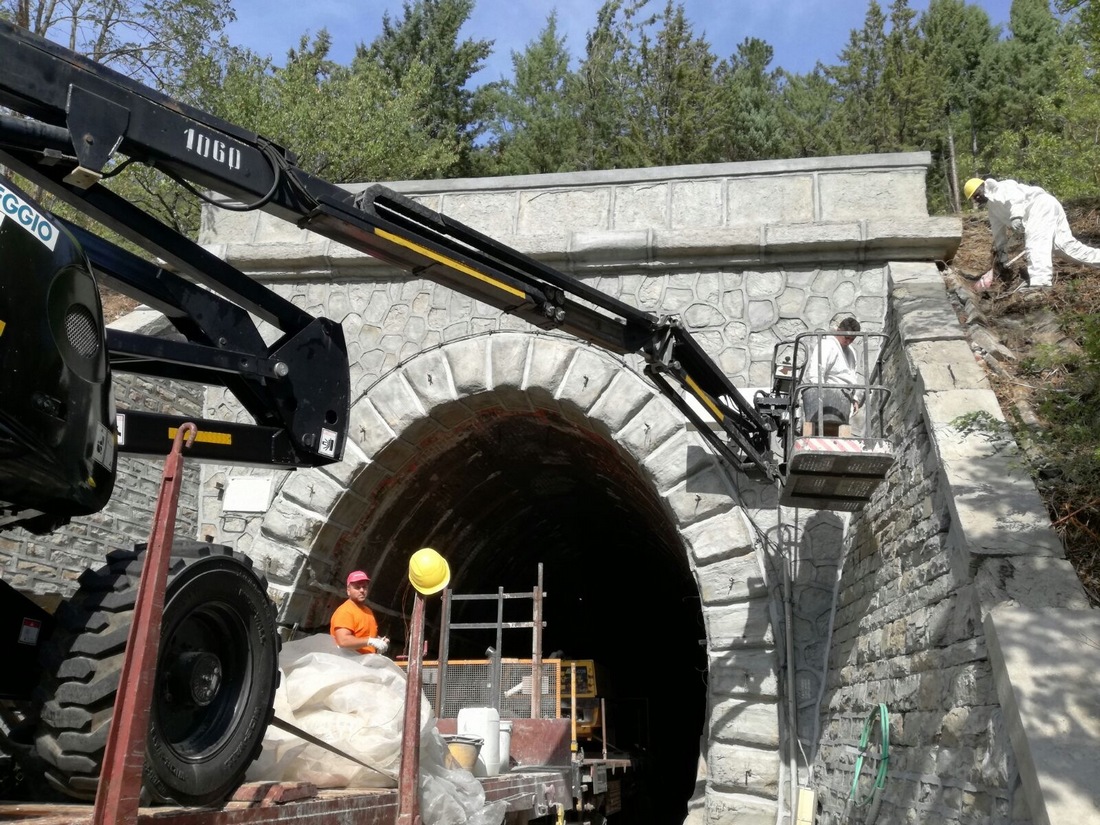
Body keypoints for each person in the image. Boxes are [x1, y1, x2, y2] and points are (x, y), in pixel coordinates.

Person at [963, 177, 1100, 289]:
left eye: (976, 196)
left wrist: (1016, 216)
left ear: (981, 189)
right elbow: (998, 232)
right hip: (1042, 212)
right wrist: (1002, 256)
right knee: (1066, 248)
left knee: (1035, 242)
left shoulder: (1003, 187)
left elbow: (1016, 198)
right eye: (974, 199)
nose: (977, 200)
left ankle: (1040, 283)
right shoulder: (993, 210)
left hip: (1041, 205)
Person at [800, 317, 864, 437]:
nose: (848, 341)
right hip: (828, 398)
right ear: (839, 331)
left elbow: (852, 375)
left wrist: (855, 398)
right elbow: (817, 371)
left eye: (852, 339)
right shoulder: (828, 345)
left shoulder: (851, 352)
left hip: (844, 399)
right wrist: (818, 395)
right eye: (846, 338)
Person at [330, 570, 390, 654]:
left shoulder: (368, 611)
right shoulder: (345, 611)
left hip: (366, 662)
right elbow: (343, 641)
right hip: (349, 662)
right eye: (357, 587)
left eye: (364, 587)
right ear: (348, 590)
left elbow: (366, 635)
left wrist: (379, 641)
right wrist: (370, 641)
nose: (362, 590)